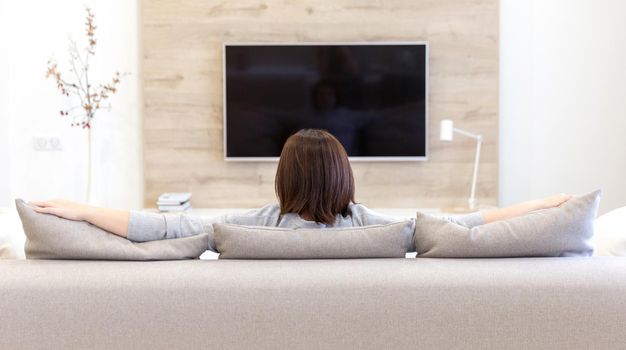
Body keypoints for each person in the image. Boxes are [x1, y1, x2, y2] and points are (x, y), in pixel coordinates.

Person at [30, 129, 572, 253]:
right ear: (344, 175)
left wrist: (79, 209)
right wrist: (545, 205)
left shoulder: (239, 228)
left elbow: (160, 227)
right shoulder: (388, 230)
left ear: (282, 179)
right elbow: (472, 223)